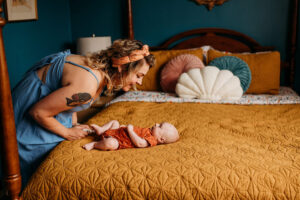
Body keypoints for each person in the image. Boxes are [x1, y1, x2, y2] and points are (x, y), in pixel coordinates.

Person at [11, 39, 155, 187]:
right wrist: (67, 132)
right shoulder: (87, 85)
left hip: (40, 106)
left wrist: (75, 124)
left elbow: (65, 98)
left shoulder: (96, 70)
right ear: (123, 68)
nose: (140, 83)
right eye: (138, 75)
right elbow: (38, 112)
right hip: (25, 118)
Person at [83, 120, 179, 151]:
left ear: (161, 139)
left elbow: (140, 143)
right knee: (115, 122)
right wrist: (124, 128)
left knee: (111, 144)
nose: (156, 124)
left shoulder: (152, 140)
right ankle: (101, 130)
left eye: (160, 126)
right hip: (116, 132)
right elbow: (138, 131)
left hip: (119, 141)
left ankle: (95, 144)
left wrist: (129, 130)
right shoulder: (149, 131)